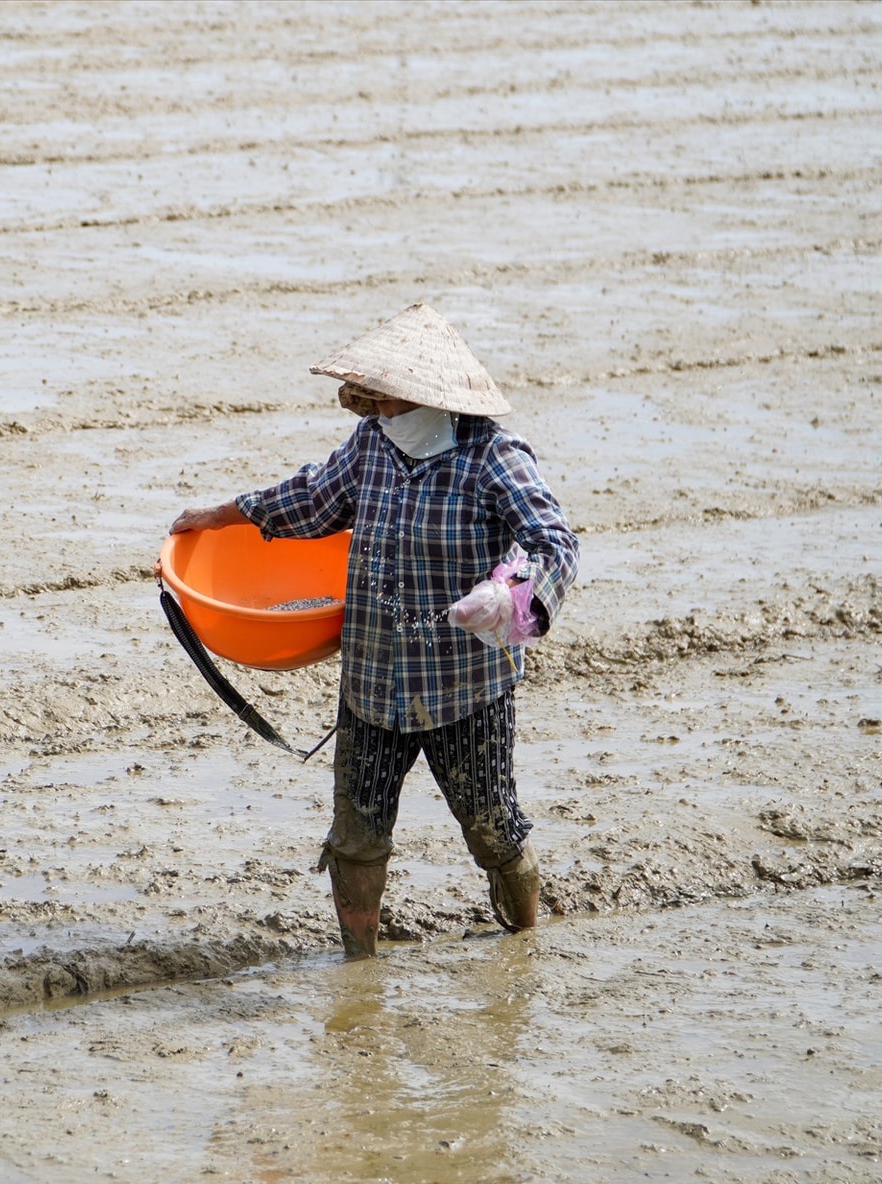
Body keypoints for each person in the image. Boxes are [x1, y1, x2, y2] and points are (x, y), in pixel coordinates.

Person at [170, 303, 579, 958]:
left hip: (462, 690)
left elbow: (553, 543)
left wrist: (509, 595)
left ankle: (525, 943)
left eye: (390, 402)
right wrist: (222, 514)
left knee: (493, 831)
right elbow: (312, 498)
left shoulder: (493, 458)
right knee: (356, 838)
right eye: (376, 403)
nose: (382, 414)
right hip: (373, 682)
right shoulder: (371, 446)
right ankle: (358, 964)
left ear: (430, 398)